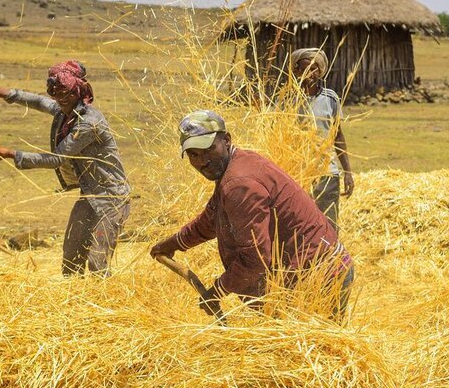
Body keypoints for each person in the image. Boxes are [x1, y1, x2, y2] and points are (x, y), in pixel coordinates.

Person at [150, 110, 354, 320]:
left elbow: (255, 259)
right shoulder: (237, 164)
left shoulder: (239, 183)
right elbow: (212, 219)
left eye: (209, 149)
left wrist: (217, 291)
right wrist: (174, 244)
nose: (203, 161)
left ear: (226, 140)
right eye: (193, 154)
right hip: (314, 274)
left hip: (320, 280)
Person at [0, 61, 131, 276]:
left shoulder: (88, 123)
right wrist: (4, 93)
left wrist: (11, 154)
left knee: (97, 261)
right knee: (71, 257)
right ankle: (75, 303)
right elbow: (40, 102)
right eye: (56, 93)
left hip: (112, 199)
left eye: (67, 93)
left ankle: (105, 303)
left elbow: (56, 159)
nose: (61, 99)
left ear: (78, 91)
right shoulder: (65, 111)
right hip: (89, 196)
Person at [290, 48, 353, 231]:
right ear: (297, 70)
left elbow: (338, 135)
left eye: (315, 68)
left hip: (327, 173)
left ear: (321, 70)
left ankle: (329, 259)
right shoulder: (287, 100)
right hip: (297, 174)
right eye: (305, 68)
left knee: (328, 226)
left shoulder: (330, 98)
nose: (310, 73)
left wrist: (347, 172)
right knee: (299, 227)